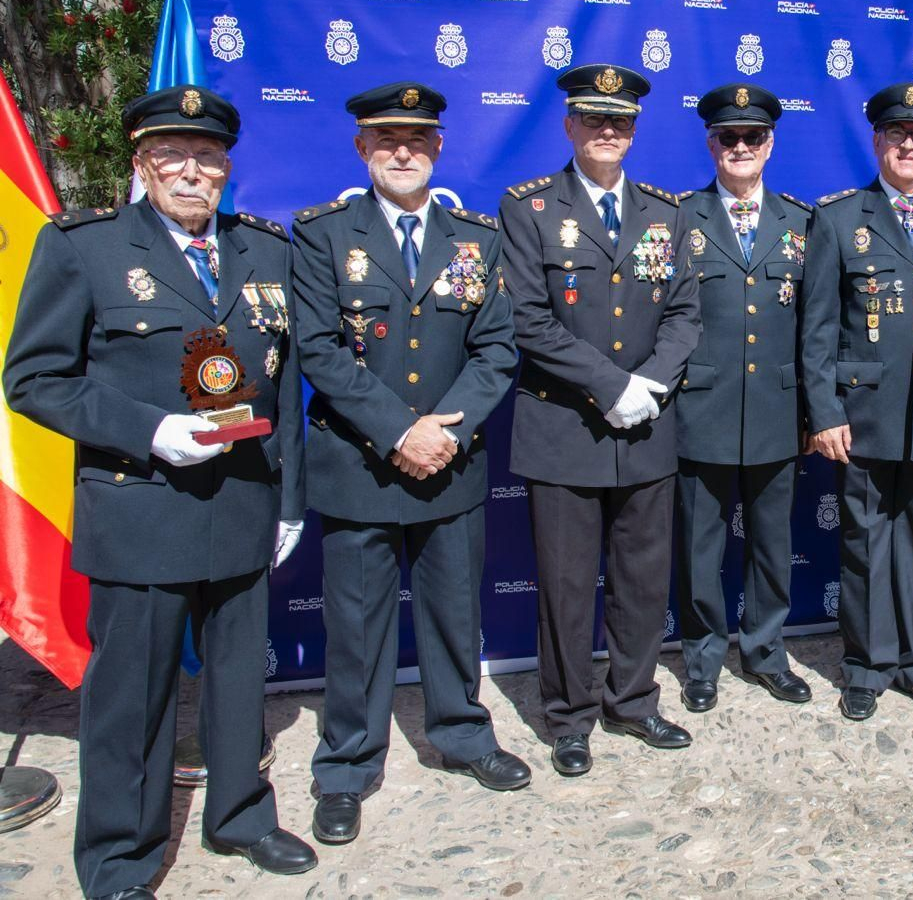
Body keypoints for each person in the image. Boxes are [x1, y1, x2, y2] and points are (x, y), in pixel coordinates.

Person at [5, 85, 317, 897]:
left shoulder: (265, 251)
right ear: (142, 163)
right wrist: (148, 428)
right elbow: (34, 379)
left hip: (244, 503)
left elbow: (285, 389)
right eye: (172, 155)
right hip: (141, 506)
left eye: (208, 156)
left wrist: (288, 499)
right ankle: (119, 853)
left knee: (241, 680)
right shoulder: (84, 248)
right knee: (131, 697)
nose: (192, 171)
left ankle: (240, 815)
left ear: (226, 166)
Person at [292, 82, 526, 846]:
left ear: (438, 149)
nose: (402, 151)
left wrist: (445, 432)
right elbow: (319, 350)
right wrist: (400, 430)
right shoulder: (323, 234)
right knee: (356, 626)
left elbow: (497, 347)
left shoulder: (474, 236)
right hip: (361, 464)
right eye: (386, 139)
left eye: (417, 140)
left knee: (456, 612)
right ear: (361, 149)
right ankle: (348, 765)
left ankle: (461, 733)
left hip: (451, 463)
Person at [498, 63, 702, 777]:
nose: (607, 131)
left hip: (647, 423)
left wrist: (651, 382)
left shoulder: (665, 212)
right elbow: (525, 317)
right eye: (594, 119)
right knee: (564, 581)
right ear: (569, 126)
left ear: (635, 131)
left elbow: (683, 313)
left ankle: (634, 698)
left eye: (620, 122)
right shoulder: (526, 209)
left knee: (644, 576)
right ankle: (568, 715)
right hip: (565, 427)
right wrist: (609, 384)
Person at [799, 82, 913, 721]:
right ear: (877, 141)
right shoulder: (840, 218)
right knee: (865, 543)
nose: (910, 146)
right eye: (897, 135)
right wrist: (823, 412)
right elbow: (817, 329)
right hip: (864, 417)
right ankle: (867, 666)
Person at [673, 82, 813, 712]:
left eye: (751, 137)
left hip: (777, 410)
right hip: (700, 407)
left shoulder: (804, 223)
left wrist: (816, 410)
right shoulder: (678, 218)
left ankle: (764, 651)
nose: (740, 147)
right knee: (701, 545)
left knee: (771, 542)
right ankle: (701, 657)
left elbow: (818, 326)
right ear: (710, 144)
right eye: (728, 137)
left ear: (771, 144)